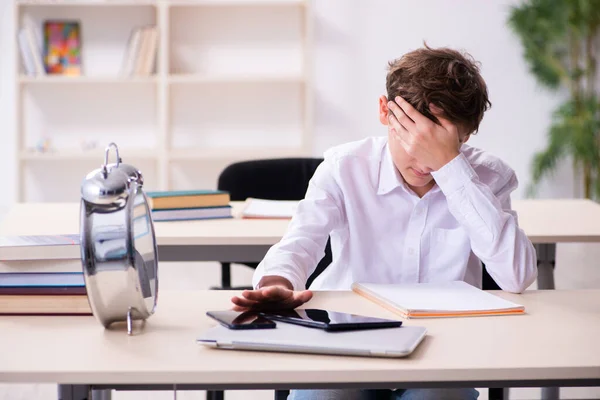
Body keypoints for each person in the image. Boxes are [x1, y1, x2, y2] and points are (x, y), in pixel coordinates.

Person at [231, 44, 538, 400]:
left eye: (444, 144)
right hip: (344, 345)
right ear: (384, 111)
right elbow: (299, 242)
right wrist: (278, 281)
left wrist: (452, 168)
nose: (426, 163)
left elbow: (517, 276)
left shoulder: (487, 177)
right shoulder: (344, 167)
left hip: (444, 354)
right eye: (413, 137)